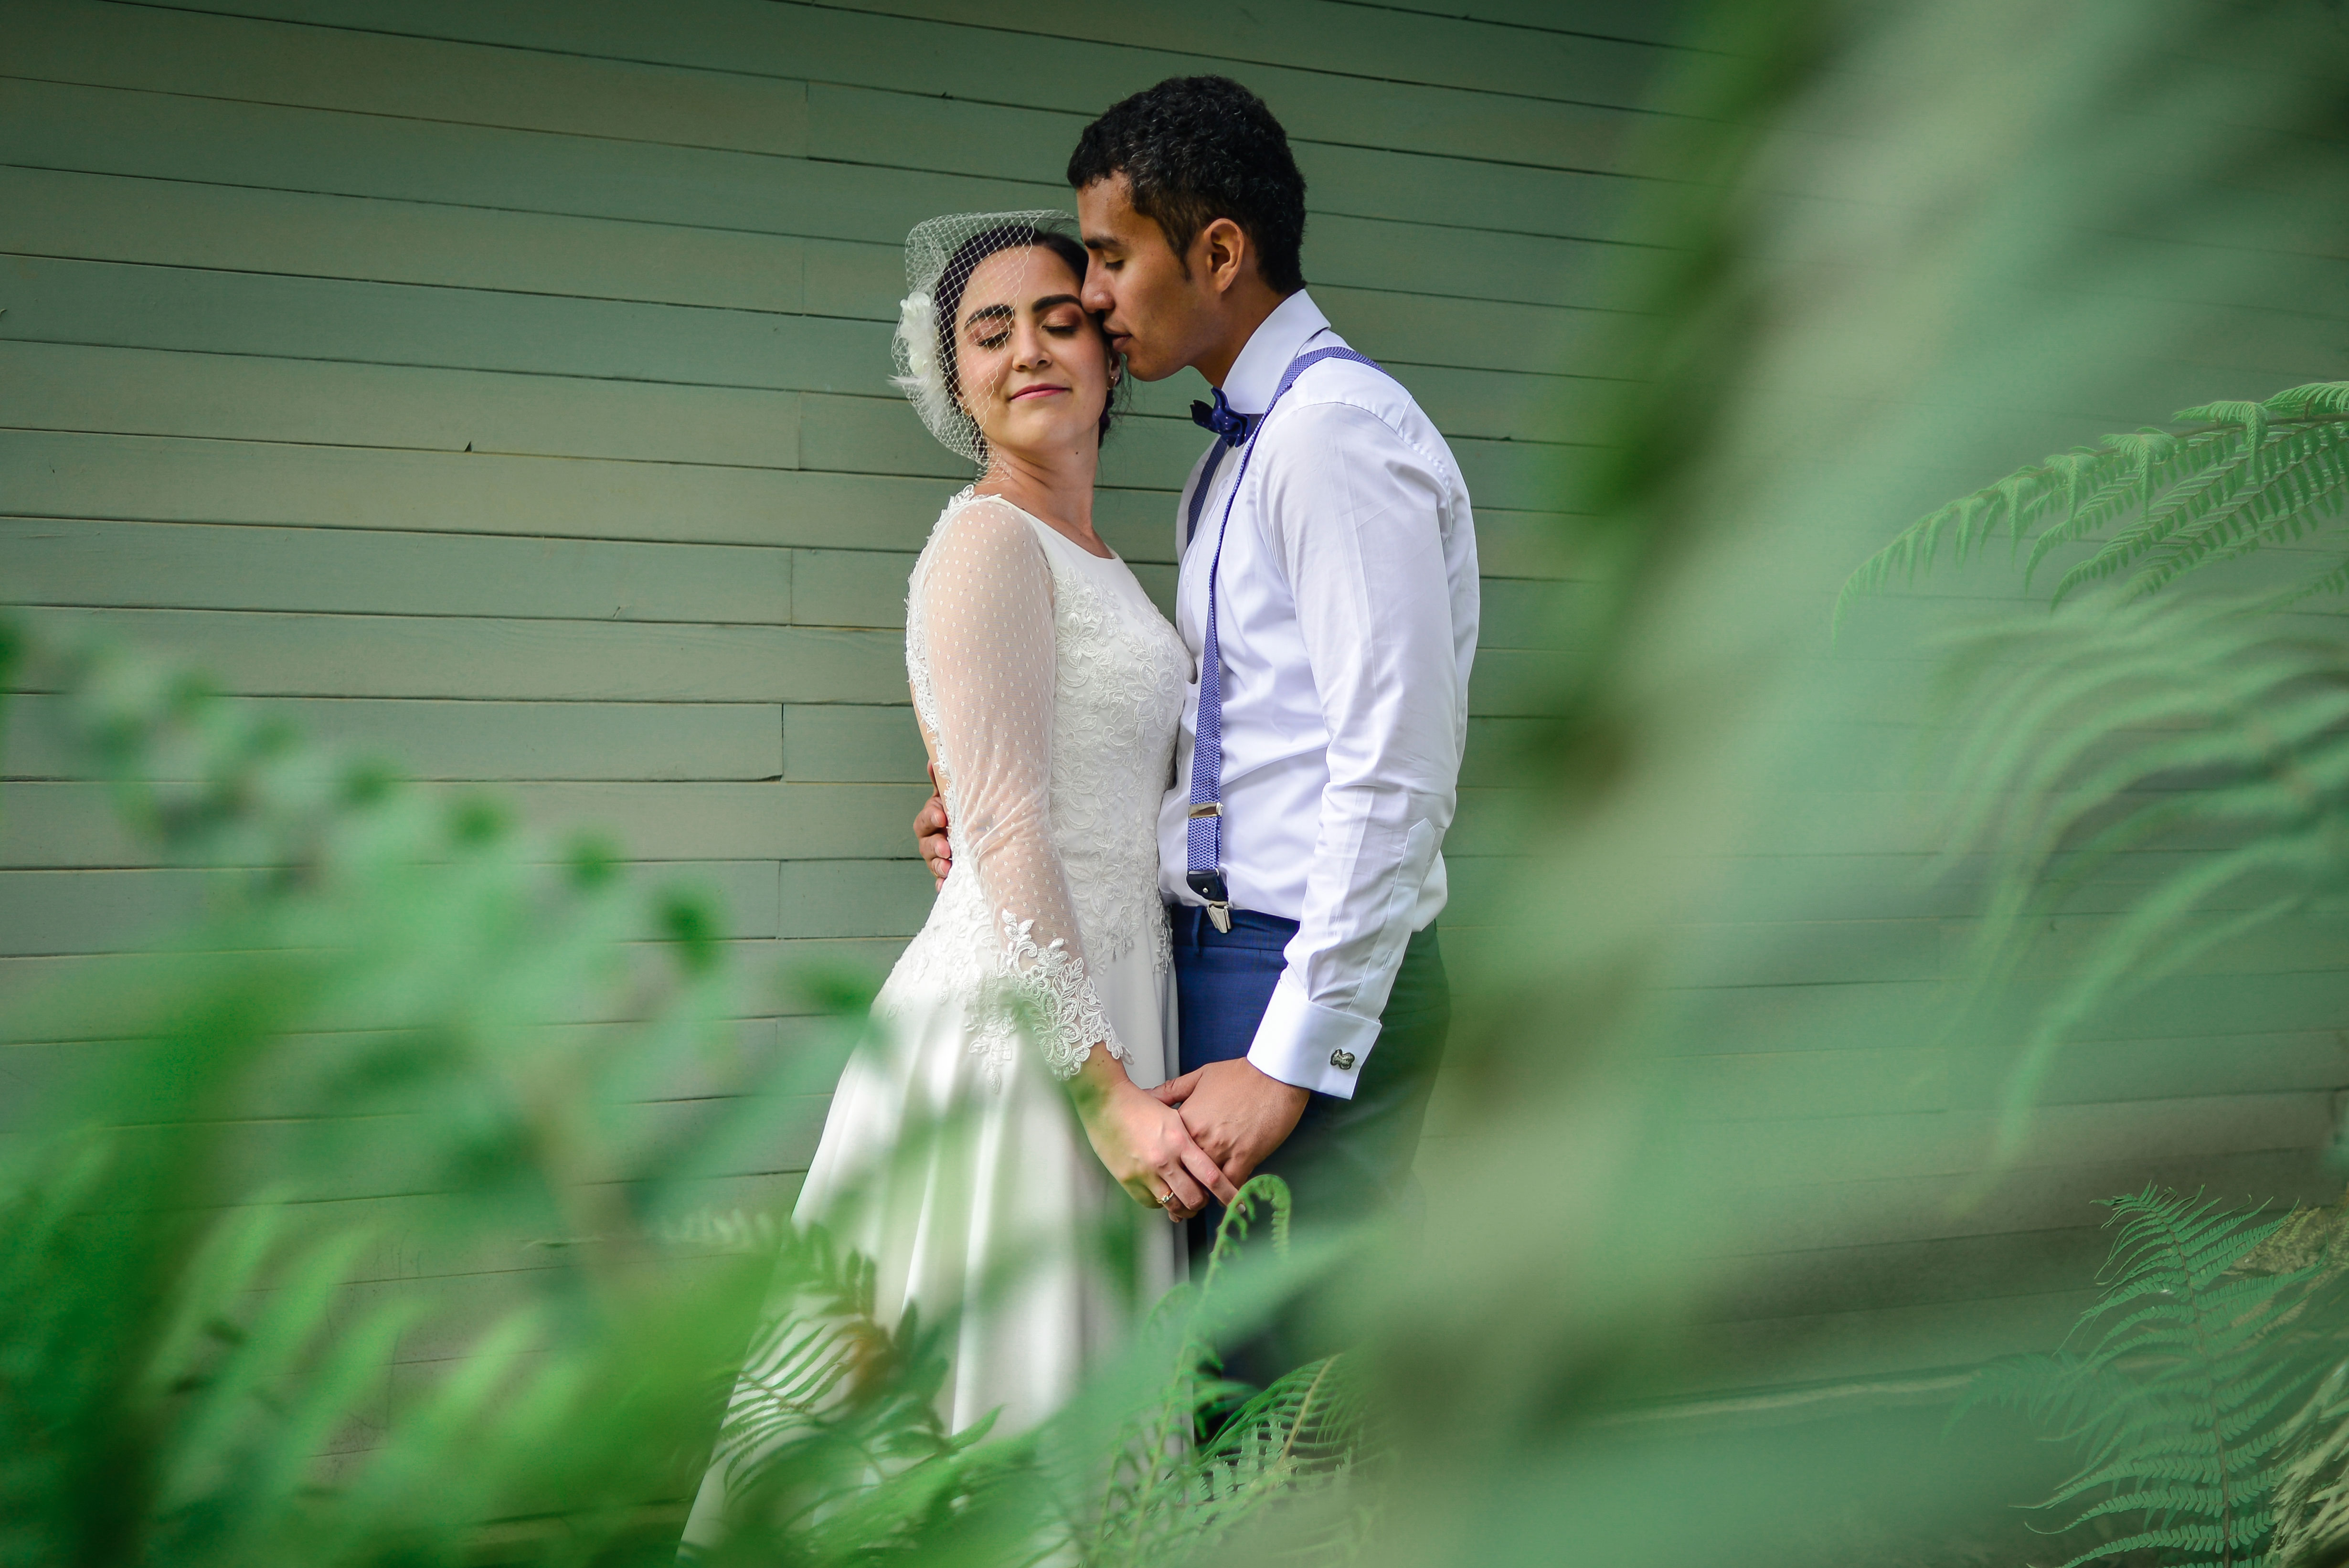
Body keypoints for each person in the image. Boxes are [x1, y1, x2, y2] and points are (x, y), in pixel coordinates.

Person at [914, 77, 1479, 1387]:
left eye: (1109, 259)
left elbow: (1394, 774)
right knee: (1199, 1388)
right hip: (1199, 962)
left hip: (1300, 965)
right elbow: (1232, 737)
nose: (1095, 298)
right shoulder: (1228, 463)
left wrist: (1288, 1058)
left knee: (1274, 1399)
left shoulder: (1335, 438)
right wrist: (1006, 804)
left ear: (1217, 253)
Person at [685, 213, 1236, 1550]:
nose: (1030, 349)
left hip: (1114, 977)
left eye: (1059, 318)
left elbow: (1045, 778)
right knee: (990, 1390)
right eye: (988, 332)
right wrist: (1100, 1091)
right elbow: (1003, 826)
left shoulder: (1097, 559)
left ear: (1108, 361)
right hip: (1028, 1035)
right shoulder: (986, 543)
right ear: (955, 378)